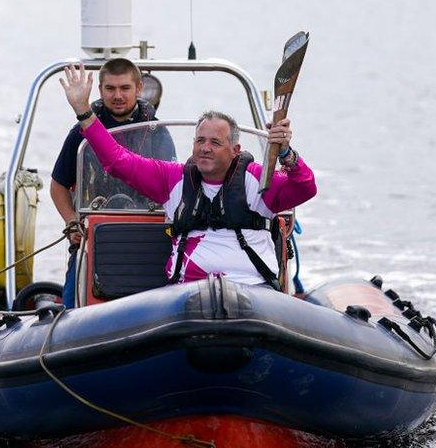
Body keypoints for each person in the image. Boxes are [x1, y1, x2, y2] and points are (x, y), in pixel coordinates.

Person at [59, 63, 316, 287]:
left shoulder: (260, 180)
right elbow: (118, 161)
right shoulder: (173, 179)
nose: (205, 148)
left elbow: (305, 187)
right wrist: (84, 112)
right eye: (200, 140)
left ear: (235, 150)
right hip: (187, 296)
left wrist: (286, 153)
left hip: (253, 291)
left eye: (215, 142)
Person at [50, 58, 172, 308]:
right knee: (73, 299)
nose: (118, 95)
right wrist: (72, 223)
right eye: (111, 88)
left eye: (125, 88)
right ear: (100, 90)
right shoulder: (80, 133)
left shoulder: (157, 132)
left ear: (139, 89)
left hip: (146, 233)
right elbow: (58, 185)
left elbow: (171, 187)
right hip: (92, 234)